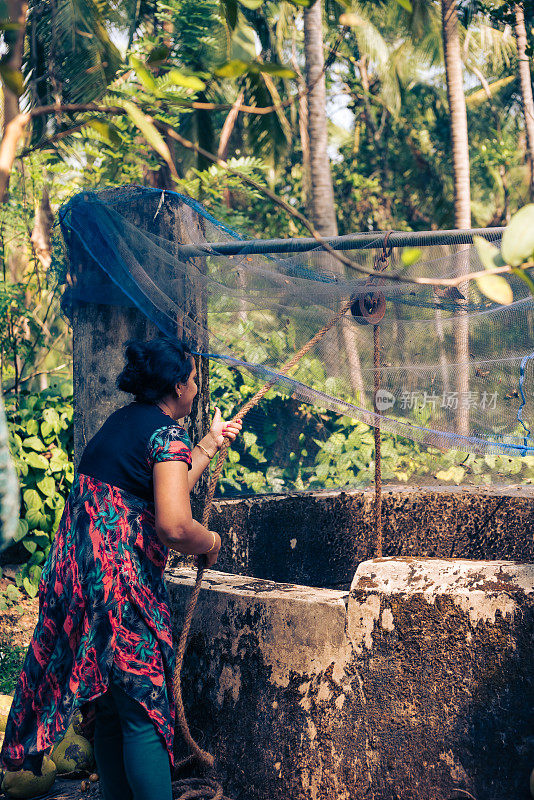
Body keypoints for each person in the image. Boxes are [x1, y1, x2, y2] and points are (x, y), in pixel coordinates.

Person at [0, 336, 242, 800]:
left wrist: (209, 444)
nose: (195, 388)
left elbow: (158, 489)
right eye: (192, 380)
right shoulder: (167, 435)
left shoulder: (122, 424)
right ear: (177, 385)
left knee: (108, 708)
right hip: (121, 591)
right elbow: (173, 524)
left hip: (80, 587)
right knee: (143, 712)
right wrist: (209, 542)